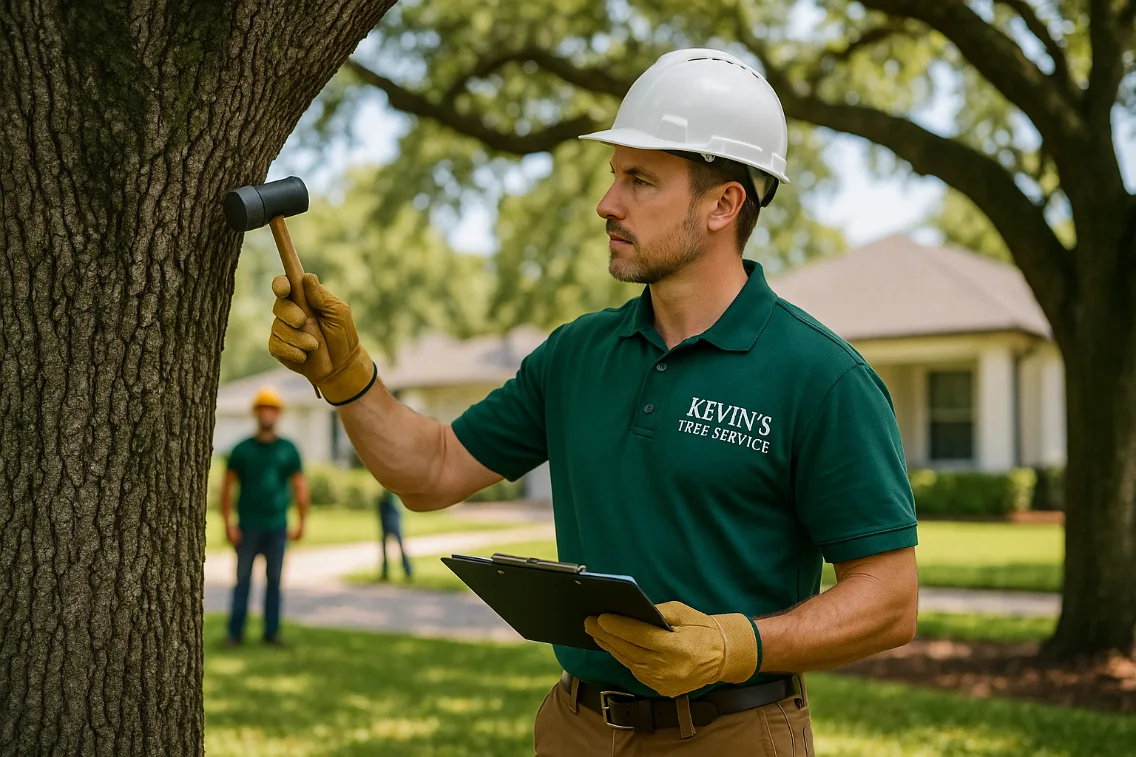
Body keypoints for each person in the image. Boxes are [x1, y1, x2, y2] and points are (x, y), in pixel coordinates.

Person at [266, 48, 919, 754]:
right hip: (575, 728)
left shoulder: (821, 377)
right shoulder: (577, 355)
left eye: (641, 180)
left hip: (731, 731)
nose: (607, 203)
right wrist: (349, 379)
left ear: (724, 204)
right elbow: (433, 468)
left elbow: (889, 598)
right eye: (615, 176)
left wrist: (737, 643)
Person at [219, 385, 309, 648]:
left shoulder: (288, 450)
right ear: (255, 413)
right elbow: (227, 490)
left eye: (272, 409)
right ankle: (235, 634)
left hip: (277, 527)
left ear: (278, 414)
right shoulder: (241, 450)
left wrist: (302, 522)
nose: (267, 414)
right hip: (247, 527)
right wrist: (228, 524)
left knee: (274, 582)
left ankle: (272, 633)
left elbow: (300, 488)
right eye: (262, 409)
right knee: (242, 581)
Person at [378, 489, 413, 580]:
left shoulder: (391, 493)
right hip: (391, 515)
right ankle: (406, 571)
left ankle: (406, 571)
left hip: (391, 515)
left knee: (395, 547)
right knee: (394, 547)